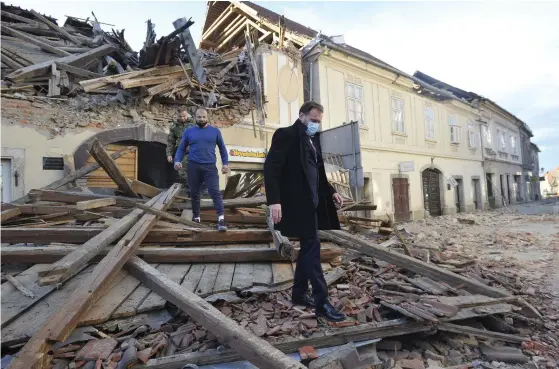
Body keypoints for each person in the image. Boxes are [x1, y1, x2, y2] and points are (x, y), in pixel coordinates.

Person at [264, 101, 346, 322]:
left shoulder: (313, 139)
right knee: (313, 249)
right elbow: (271, 168)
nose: (316, 125)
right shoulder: (286, 135)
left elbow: (317, 171)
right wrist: (274, 201)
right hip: (296, 203)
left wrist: (331, 191)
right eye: (313, 120)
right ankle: (322, 303)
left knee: (309, 248)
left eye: (319, 122)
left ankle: (299, 293)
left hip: (314, 203)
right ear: (301, 116)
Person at [174, 107, 229, 232]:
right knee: (194, 193)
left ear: (207, 117)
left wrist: (225, 164)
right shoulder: (189, 131)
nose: (201, 119)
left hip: (210, 167)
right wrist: (177, 161)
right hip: (193, 166)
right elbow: (181, 148)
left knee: (215, 192)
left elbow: (222, 149)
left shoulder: (215, 131)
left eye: (203, 117)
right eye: (199, 117)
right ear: (195, 118)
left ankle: (221, 219)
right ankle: (196, 218)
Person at [166, 108, 195, 190]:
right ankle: (192, 188)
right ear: (177, 116)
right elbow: (170, 141)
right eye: (180, 116)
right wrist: (169, 154)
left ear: (187, 114)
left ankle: (196, 188)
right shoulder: (174, 126)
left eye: (184, 116)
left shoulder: (194, 124)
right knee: (181, 172)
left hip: (193, 151)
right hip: (181, 152)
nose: (182, 118)